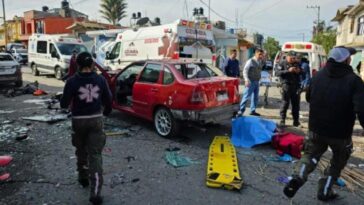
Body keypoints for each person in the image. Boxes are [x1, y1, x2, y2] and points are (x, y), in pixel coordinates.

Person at [283, 47, 364, 201]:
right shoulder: (354, 80)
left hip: (316, 129)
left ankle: (298, 177)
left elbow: (308, 98)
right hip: (340, 133)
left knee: (311, 155)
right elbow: (362, 109)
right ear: (346, 60)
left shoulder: (318, 76)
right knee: (337, 161)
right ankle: (325, 191)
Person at [61, 52, 112, 205]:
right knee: (95, 155)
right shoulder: (100, 79)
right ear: (91, 65)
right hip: (96, 120)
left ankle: (83, 178)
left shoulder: (72, 81)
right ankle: (95, 193)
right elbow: (108, 99)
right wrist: (106, 111)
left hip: (78, 121)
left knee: (81, 151)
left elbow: (64, 104)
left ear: (78, 65)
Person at [275, 51, 302, 127]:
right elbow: (277, 73)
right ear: (287, 56)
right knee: (285, 103)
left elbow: (302, 72)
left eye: (294, 58)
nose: (293, 59)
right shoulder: (282, 63)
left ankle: (296, 121)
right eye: (291, 58)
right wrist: (288, 71)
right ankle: (282, 120)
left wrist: (298, 71)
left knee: (296, 105)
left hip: (296, 86)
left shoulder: (296, 63)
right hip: (286, 86)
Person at [237, 49, 264, 116]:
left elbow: (259, 71)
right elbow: (245, 71)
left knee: (255, 97)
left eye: (262, 54)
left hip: (256, 82)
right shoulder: (250, 61)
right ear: (256, 53)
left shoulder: (259, 61)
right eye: (259, 54)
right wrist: (246, 80)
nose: (261, 56)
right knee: (246, 96)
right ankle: (241, 111)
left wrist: (260, 80)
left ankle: (253, 111)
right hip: (250, 81)